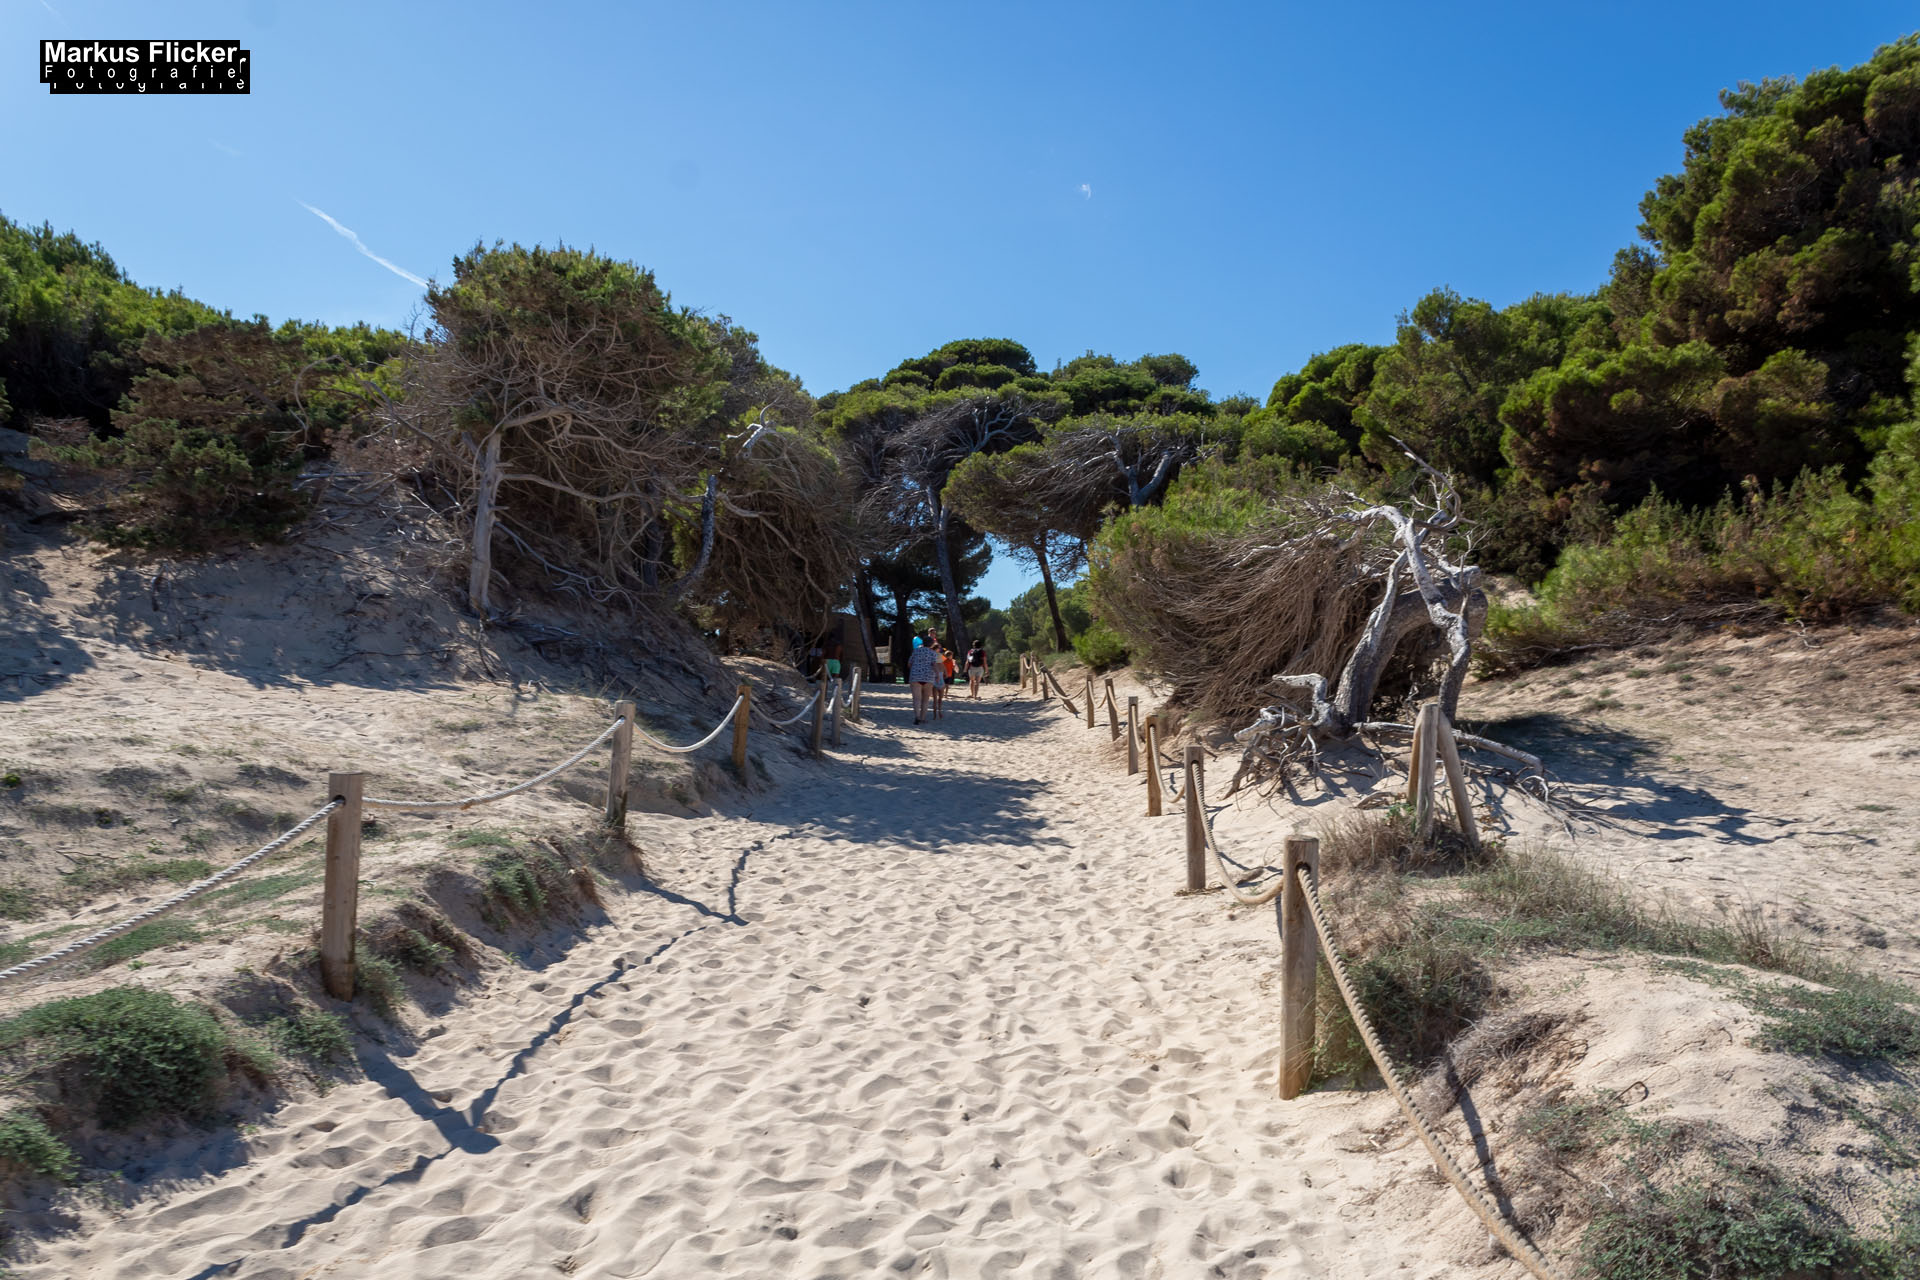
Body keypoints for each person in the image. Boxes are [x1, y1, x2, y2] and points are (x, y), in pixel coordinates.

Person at [907, 634, 939, 724]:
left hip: (915, 676)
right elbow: (934, 665)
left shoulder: (916, 651)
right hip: (928, 677)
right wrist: (938, 675)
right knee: (925, 699)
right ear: (932, 644)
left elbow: (909, 664)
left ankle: (917, 716)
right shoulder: (933, 653)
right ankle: (923, 718)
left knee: (916, 699)